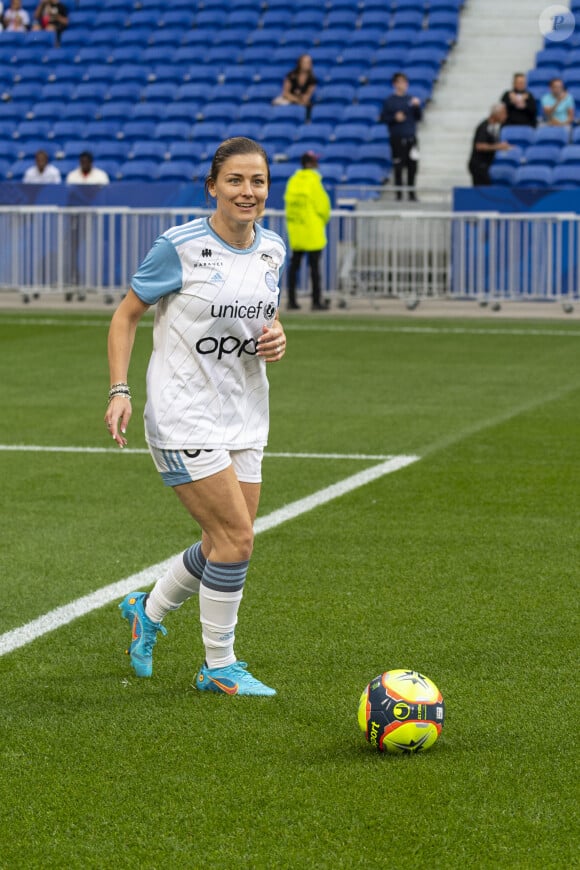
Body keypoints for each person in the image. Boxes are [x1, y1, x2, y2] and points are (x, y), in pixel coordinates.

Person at [105, 137, 287, 697]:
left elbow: (261, 320)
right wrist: (120, 389)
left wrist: (277, 338)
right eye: (235, 180)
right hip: (183, 413)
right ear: (212, 186)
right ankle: (218, 665)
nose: (247, 191)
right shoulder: (178, 246)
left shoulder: (273, 249)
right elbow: (126, 315)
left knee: (224, 539)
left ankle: (147, 611)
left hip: (245, 411)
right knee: (235, 539)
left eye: (256, 181)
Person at [284, 150, 331, 311]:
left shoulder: (293, 181)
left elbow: (289, 207)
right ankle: (316, 301)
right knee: (314, 269)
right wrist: (321, 221)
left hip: (297, 231)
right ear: (310, 164)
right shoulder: (314, 181)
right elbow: (323, 207)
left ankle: (291, 300)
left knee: (294, 267)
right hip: (312, 231)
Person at [379, 72, 422, 201]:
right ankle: (398, 194)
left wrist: (417, 107)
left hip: (411, 137)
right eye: (399, 82)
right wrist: (394, 118)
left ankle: (411, 193)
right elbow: (383, 118)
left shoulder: (411, 100)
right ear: (394, 84)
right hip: (397, 138)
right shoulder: (390, 101)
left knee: (412, 166)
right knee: (398, 166)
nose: (402, 85)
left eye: (404, 82)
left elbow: (419, 117)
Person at [468, 103, 512, 186]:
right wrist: (498, 147)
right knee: (483, 188)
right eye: (503, 113)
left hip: (486, 164)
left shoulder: (493, 127)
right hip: (479, 165)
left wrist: (501, 145)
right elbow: (479, 146)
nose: (506, 116)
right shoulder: (485, 126)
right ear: (496, 114)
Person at [272, 53, 317, 121]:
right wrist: (296, 100)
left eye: (309, 62)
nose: (308, 64)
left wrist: (301, 100)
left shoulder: (312, 79)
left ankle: (307, 122)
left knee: (309, 106)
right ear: (300, 63)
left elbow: (307, 96)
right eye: (306, 62)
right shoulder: (291, 75)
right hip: (289, 99)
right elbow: (285, 93)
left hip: (302, 101)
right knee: (276, 102)